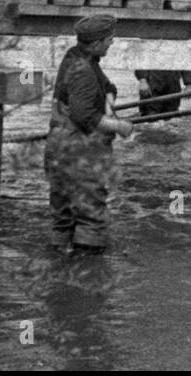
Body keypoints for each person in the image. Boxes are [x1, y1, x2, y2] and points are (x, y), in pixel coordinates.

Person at [44, 15, 133, 253]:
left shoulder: (75, 56)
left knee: (61, 213)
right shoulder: (84, 70)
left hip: (58, 145)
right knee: (90, 216)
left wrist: (108, 100)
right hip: (79, 149)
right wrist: (120, 127)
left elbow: (106, 85)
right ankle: (91, 276)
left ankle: (58, 268)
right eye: (109, 40)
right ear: (96, 44)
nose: (111, 43)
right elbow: (84, 116)